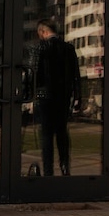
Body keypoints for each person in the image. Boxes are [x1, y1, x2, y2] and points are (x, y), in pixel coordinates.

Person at [33, 18, 81, 176]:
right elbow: (76, 76)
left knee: (46, 135)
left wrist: (33, 96)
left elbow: (36, 75)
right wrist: (77, 97)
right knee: (61, 132)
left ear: (43, 31)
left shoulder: (41, 48)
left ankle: (48, 170)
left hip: (46, 97)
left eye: (40, 32)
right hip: (63, 97)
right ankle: (65, 166)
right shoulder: (69, 49)